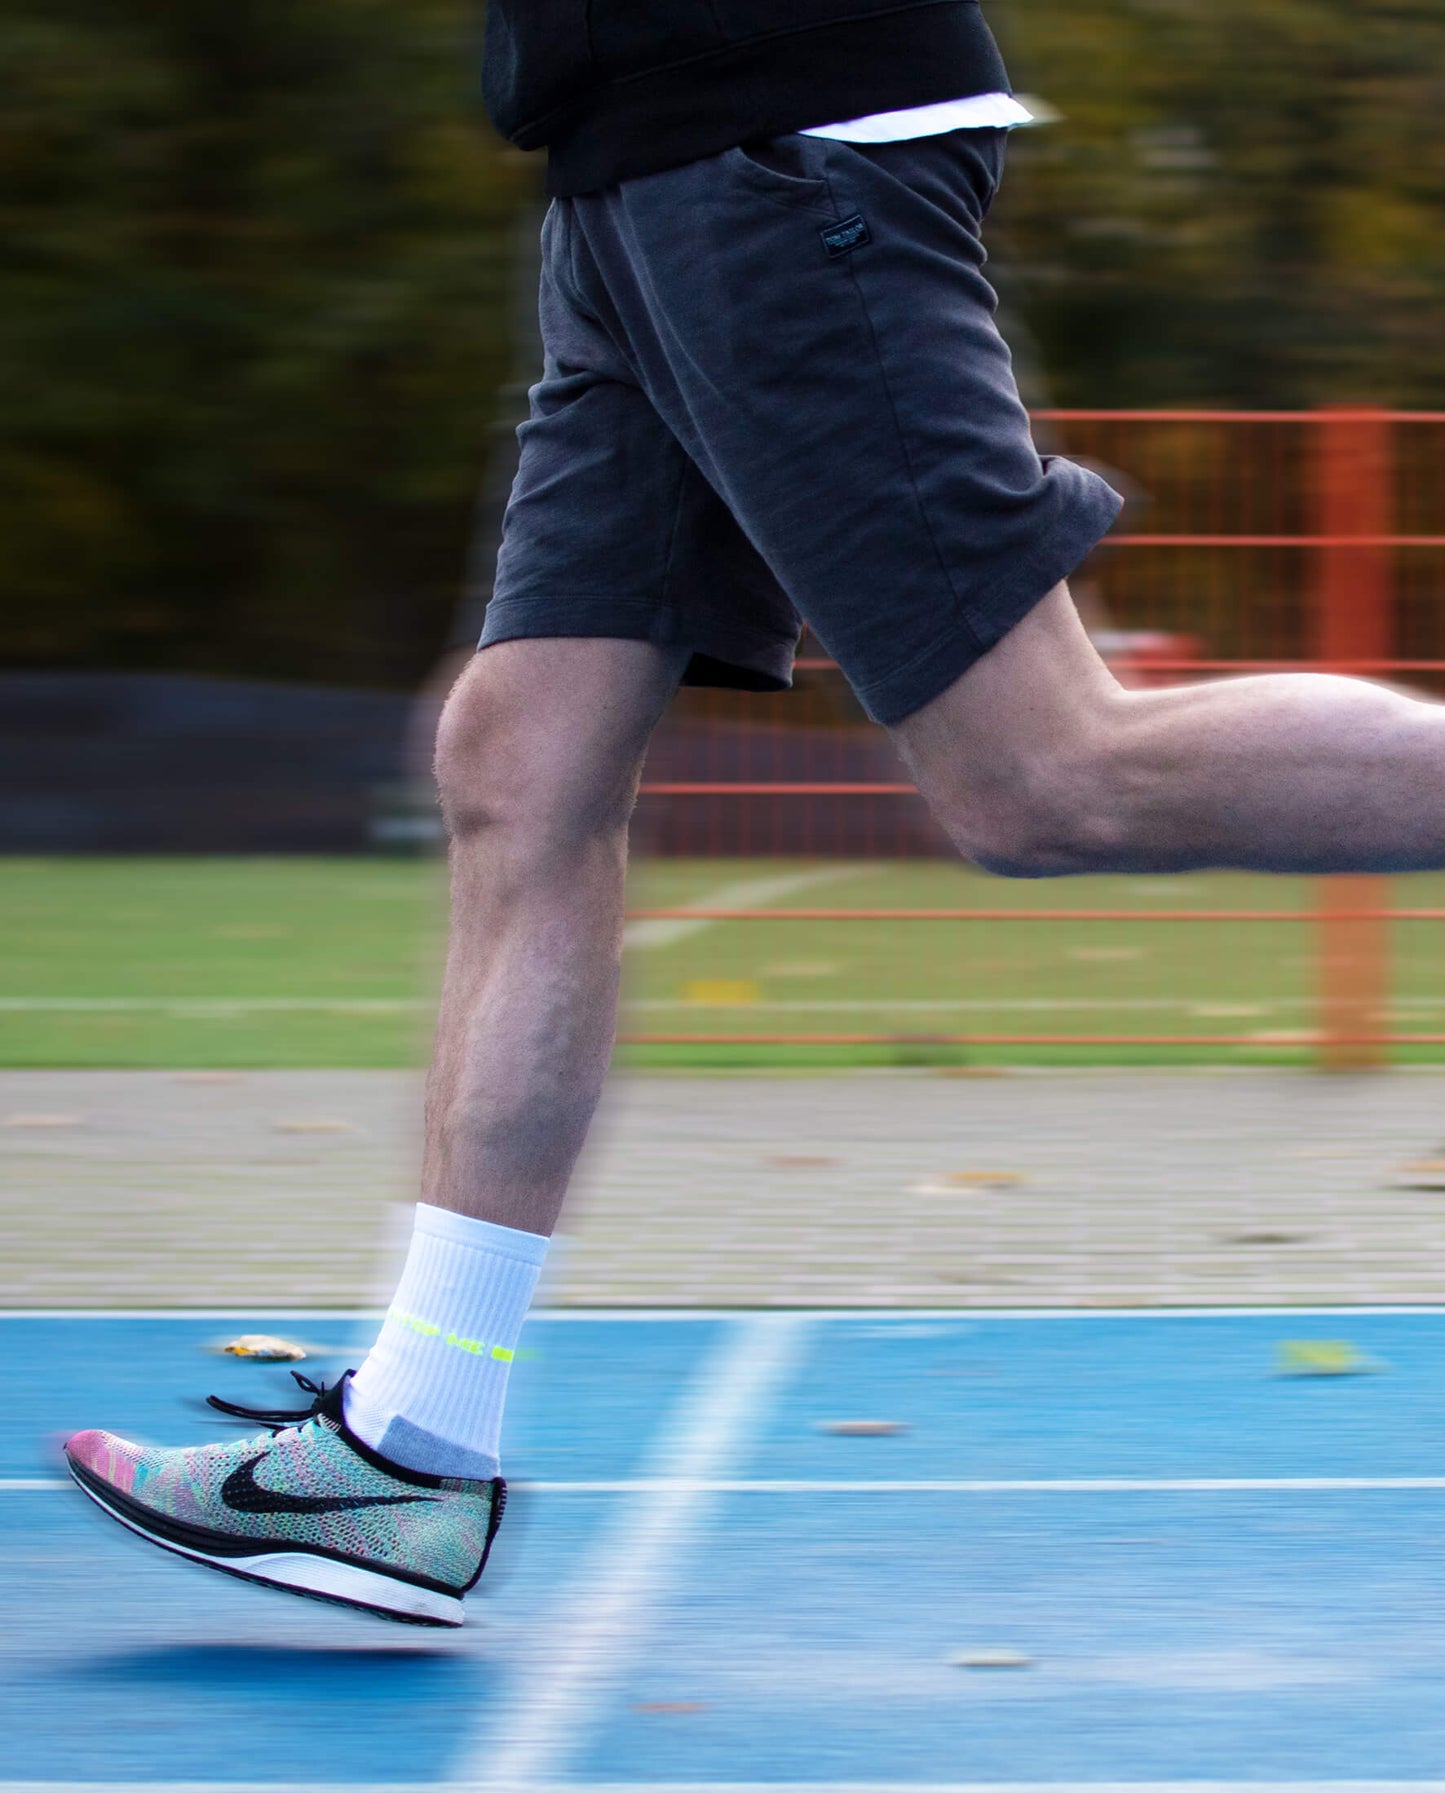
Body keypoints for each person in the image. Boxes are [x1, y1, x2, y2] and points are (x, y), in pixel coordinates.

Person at [63, 2, 1445, 1624]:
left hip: (773, 143)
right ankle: (409, 1453)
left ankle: (410, 1449)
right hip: (632, 178)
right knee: (517, 763)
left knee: (1040, 775)